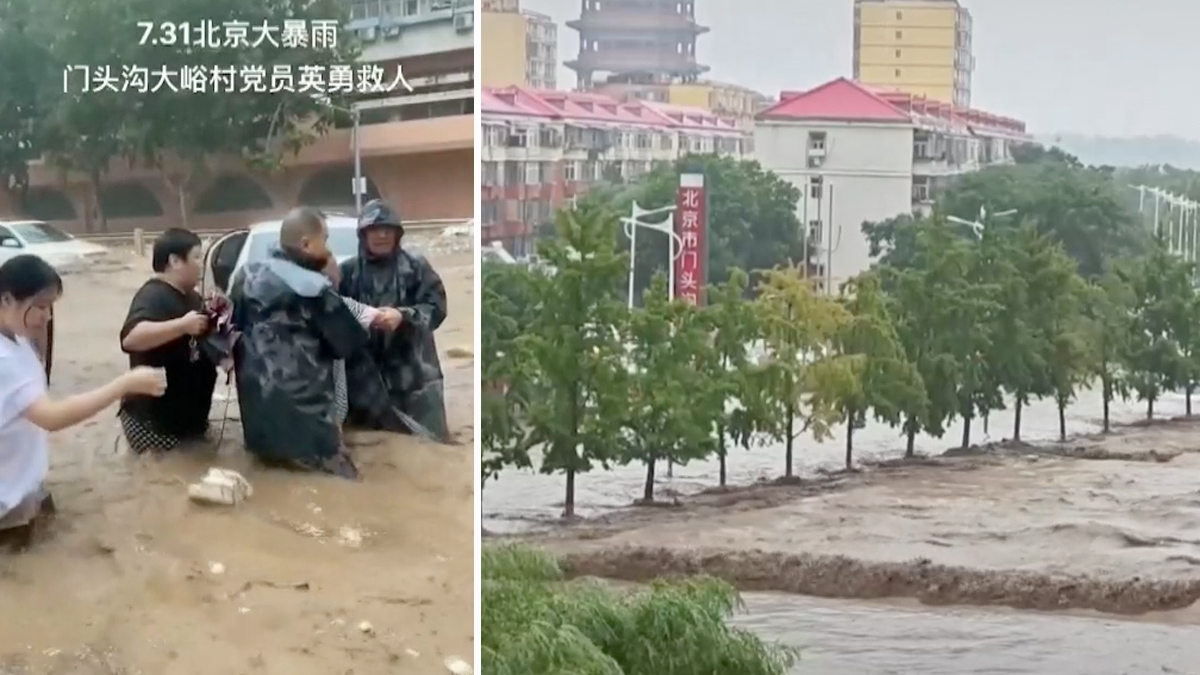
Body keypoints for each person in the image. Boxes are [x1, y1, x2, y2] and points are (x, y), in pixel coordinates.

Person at [0, 255, 165, 548]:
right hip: (7, 505)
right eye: (39, 306)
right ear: (7, 299)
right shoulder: (4, 359)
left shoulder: (17, 336)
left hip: (22, 488)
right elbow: (50, 417)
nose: (47, 316)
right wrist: (123, 385)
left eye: (50, 306)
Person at [229, 207, 369, 479]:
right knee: (345, 489)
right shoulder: (314, 288)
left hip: (257, 421)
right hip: (308, 423)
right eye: (324, 240)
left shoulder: (244, 277)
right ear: (306, 244)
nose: (327, 249)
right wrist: (336, 286)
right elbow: (349, 344)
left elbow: (232, 331)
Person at [339, 199, 450, 441]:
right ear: (363, 234)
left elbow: (437, 307)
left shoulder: (416, 267)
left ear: (397, 234)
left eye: (387, 230)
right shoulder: (347, 273)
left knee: (430, 446)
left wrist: (404, 316)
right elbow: (335, 317)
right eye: (375, 230)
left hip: (416, 377)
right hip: (365, 381)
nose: (381, 235)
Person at [118, 228, 218, 454]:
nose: (201, 264)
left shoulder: (192, 296)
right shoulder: (153, 295)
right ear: (174, 260)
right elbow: (131, 339)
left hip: (188, 422)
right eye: (196, 257)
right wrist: (181, 326)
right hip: (155, 425)